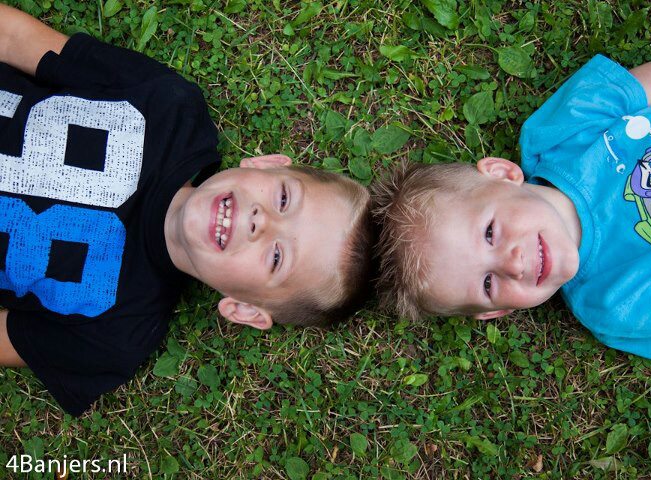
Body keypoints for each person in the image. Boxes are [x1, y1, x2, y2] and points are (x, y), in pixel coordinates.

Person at [0, 5, 374, 415]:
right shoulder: (168, 107)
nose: (261, 222)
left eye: (276, 257)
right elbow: (15, 39)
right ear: (266, 164)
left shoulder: (116, 335)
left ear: (245, 309)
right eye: (284, 199)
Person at [371, 37, 651, 361]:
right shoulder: (618, 303)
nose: (512, 265)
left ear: (502, 173)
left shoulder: (561, 132)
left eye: (490, 233)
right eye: (488, 284)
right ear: (497, 312)